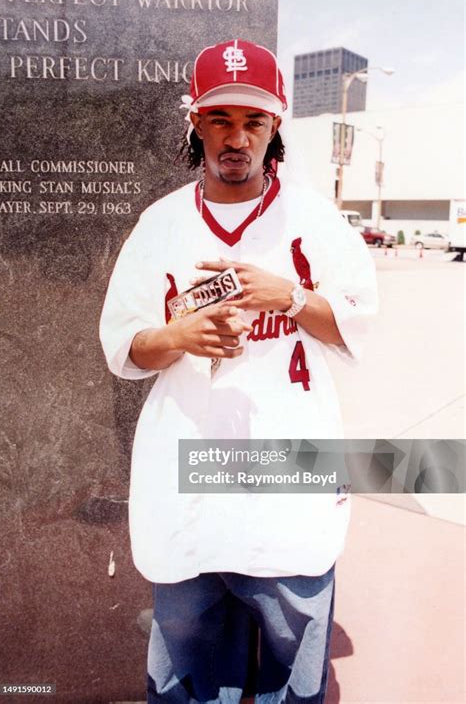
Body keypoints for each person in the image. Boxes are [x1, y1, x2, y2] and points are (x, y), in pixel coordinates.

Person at [100, 39, 378, 703]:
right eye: (220, 118)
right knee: (185, 668)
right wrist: (176, 336)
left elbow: (360, 325)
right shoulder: (160, 224)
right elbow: (121, 344)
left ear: (275, 127)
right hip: (189, 463)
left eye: (253, 121)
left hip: (290, 467)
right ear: (194, 123)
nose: (236, 137)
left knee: (295, 661)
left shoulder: (315, 220)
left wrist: (291, 297)